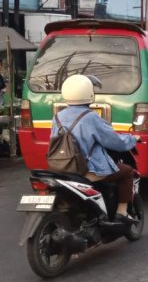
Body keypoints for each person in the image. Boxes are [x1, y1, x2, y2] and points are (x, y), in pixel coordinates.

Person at [52, 75, 139, 220]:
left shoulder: (58, 117)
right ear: (89, 93)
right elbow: (115, 141)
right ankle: (122, 212)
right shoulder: (91, 117)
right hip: (87, 170)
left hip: (62, 168)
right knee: (127, 172)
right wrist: (132, 139)